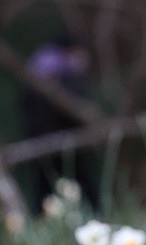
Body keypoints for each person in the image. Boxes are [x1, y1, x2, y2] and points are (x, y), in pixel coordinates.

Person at [22, 33, 100, 213]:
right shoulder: (67, 73)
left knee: (44, 191)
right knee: (85, 187)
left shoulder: (36, 69)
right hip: (67, 142)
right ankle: (99, 217)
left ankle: (39, 224)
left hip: (39, 142)